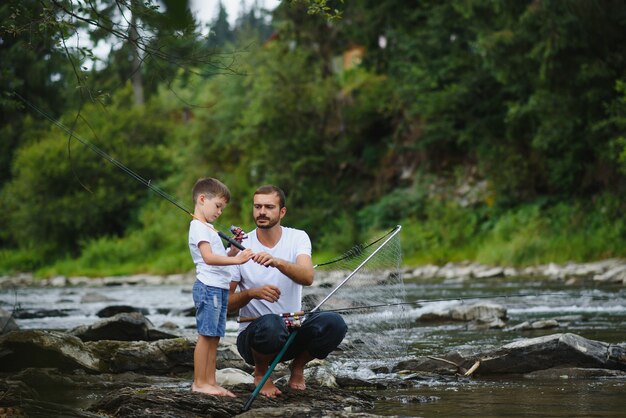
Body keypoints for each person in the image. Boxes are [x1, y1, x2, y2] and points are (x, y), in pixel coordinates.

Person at [228, 185, 348, 398]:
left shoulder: (298, 237)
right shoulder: (240, 246)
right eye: (257, 206)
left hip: (292, 331)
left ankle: (298, 367)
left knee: (334, 323)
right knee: (272, 324)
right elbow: (226, 304)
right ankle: (261, 372)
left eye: (269, 207)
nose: (262, 212)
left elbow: (307, 277)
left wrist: (277, 262)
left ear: (282, 212)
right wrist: (251, 293)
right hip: (254, 337)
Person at [188, 177, 254, 397]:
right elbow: (208, 258)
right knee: (205, 336)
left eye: (222, 209)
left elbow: (221, 256)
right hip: (208, 287)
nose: (219, 212)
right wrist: (239, 260)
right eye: (217, 206)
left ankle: (211, 381)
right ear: (202, 199)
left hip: (219, 287)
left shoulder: (209, 228)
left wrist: (233, 251)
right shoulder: (198, 227)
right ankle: (199, 382)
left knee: (215, 336)